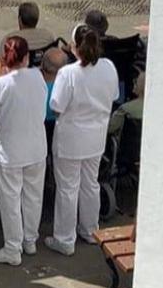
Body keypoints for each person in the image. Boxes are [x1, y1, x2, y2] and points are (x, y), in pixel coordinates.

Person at [46, 25, 118, 254]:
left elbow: (56, 106)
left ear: (74, 47)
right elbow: (114, 96)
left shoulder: (68, 73)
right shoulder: (108, 67)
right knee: (90, 184)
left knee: (68, 188)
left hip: (71, 138)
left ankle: (65, 239)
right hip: (96, 137)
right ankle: (90, 230)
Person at [0, 37, 48, 266]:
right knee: (33, 196)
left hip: (11, 150)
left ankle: (13, 246)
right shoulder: (37, 76)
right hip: (36, 146)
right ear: (27, 57)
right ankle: (30, 239)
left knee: (11, 200)